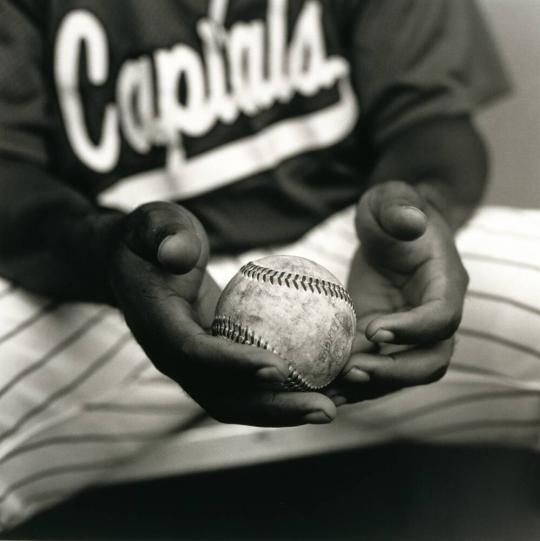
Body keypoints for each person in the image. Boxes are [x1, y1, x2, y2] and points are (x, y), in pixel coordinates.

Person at [1, 0, 538, 531]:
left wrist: (417, 209)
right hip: (110, 276)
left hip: (349, 251)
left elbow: (431, 121)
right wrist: (104, 249)